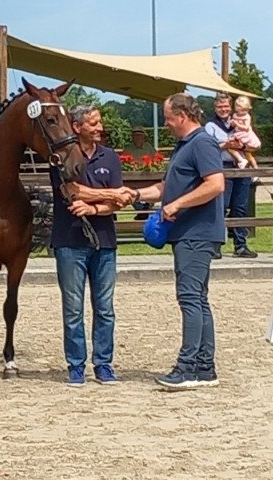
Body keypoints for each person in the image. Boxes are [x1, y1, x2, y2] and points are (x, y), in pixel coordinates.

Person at [133, 93, 225, 389]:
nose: (166, 124)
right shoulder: (185, 146)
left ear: (182, 116)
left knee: (189, 298)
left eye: (168, 118)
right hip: (188, 232)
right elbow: (166, 187)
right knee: (197, 298)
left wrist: (177, 205)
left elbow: (215, 184)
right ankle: (204, 366)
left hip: (196, 233)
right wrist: (134, 194)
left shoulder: (202, 143)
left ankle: (187, 367)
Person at [50, 105, 126, 387]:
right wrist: (108, 194)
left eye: (99, 122)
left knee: (105, 307)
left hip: (105, 241)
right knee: (73, 308)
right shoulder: (60, 157)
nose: (98, 127)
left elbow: (117, 202)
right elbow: (71, 190)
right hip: (69, 241)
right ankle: (76, 365)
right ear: (77, 126)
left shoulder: (110, 158)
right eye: (93, 123)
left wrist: (94, 208)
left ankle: (103, 364)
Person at [205, 93, 257, 259]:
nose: (223, 109)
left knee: (240, 207)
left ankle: (240, 245)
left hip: (241, 168)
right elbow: (207, 147)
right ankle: (216, 245)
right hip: (222, 168)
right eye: (220, 107)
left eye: (226, 106)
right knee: (222, 206)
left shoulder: (238, 121)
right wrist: (226, 145)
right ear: (215, 108)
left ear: (231, 106)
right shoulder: (210, 125)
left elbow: (250, 141)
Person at [122, 126, 157, 219]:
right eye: (135, 136)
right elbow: (122, 163)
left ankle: (146, 209)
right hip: (132, 178)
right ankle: (142, 210)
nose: (137, 138)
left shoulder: (149, 148)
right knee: (129, 191)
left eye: (139, 135)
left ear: (143, 137)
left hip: (148, 177)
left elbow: (157, 160)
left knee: (155, 188)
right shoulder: (128, 149)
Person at [228, 95, 261, 170]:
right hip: (238, 134)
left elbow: (246, 128)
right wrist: (232, 123)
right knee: (232, 148)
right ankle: (242, 160)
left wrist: (237, 124)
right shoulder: (235, 115)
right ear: (237, 108)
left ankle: (255, 169)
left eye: (246, 110)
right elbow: (233, 125)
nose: (244, 112)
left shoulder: (247, 116)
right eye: (242, 110)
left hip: (245, 135)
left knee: (247, 152)